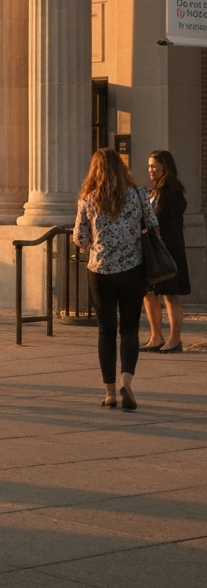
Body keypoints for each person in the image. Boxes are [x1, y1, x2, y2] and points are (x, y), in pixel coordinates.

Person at [73, 147, 157, 410]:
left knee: (106, 330)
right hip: (133, 270)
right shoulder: (138, 195)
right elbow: (153, 224)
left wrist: (97, 242)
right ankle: (126, 382)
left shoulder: (88, 199)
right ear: (121, 168)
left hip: (100, 272)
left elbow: (80, 239)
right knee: (129, 329)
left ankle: (109, 392)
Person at [141, 150, 189, 354]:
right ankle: (156, 336)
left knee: (170, 295)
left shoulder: (171, 191)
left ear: (165, 167)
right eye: (149, 166)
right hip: (153, 250)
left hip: (168, 251)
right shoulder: (154, 191)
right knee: (149, 292)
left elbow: (165, 223)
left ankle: (175, 339)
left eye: (154, 166)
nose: (150, 170)